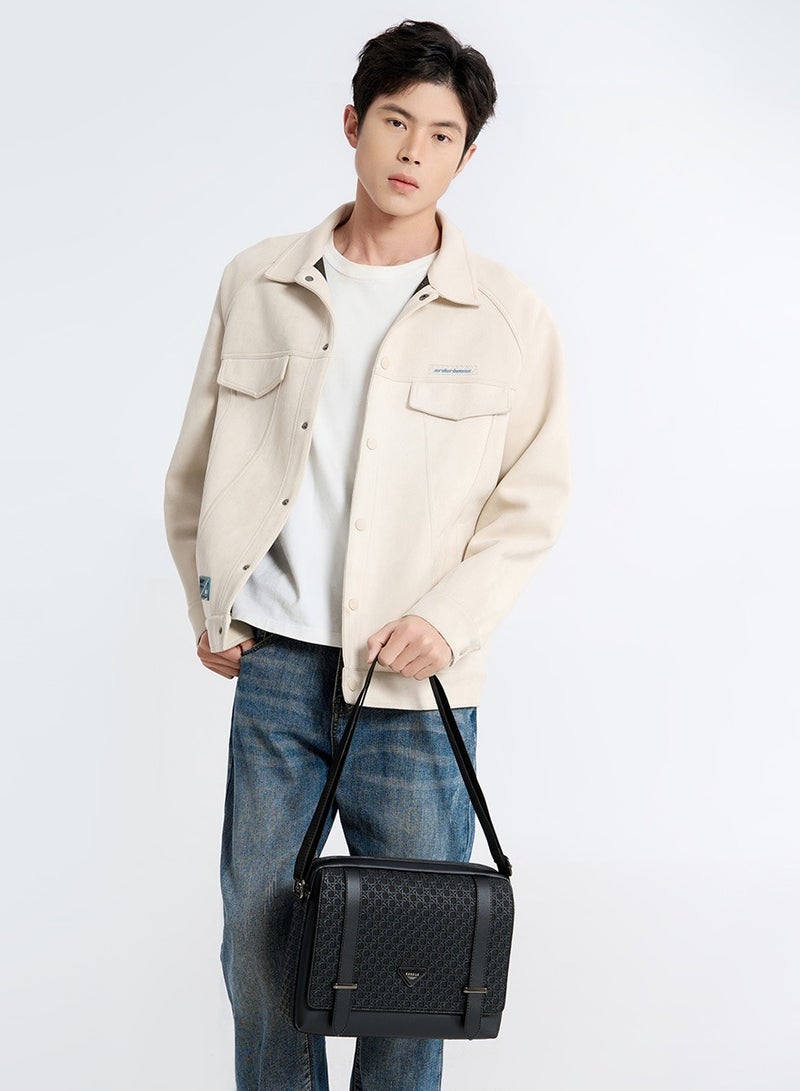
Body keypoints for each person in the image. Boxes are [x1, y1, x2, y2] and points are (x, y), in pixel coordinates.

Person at [163, 18, 571, 1091]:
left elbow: (532, 501)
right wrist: (211, 604)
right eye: (395, 121)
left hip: (415, 684)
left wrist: (449, 618)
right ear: (353, 123)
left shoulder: (507, 315)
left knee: (409, 971)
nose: (412, 151)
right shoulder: (258, 280)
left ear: (465, 156)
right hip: (277, 673)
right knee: (260, 955)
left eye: (441, 135)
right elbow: (198, 467)